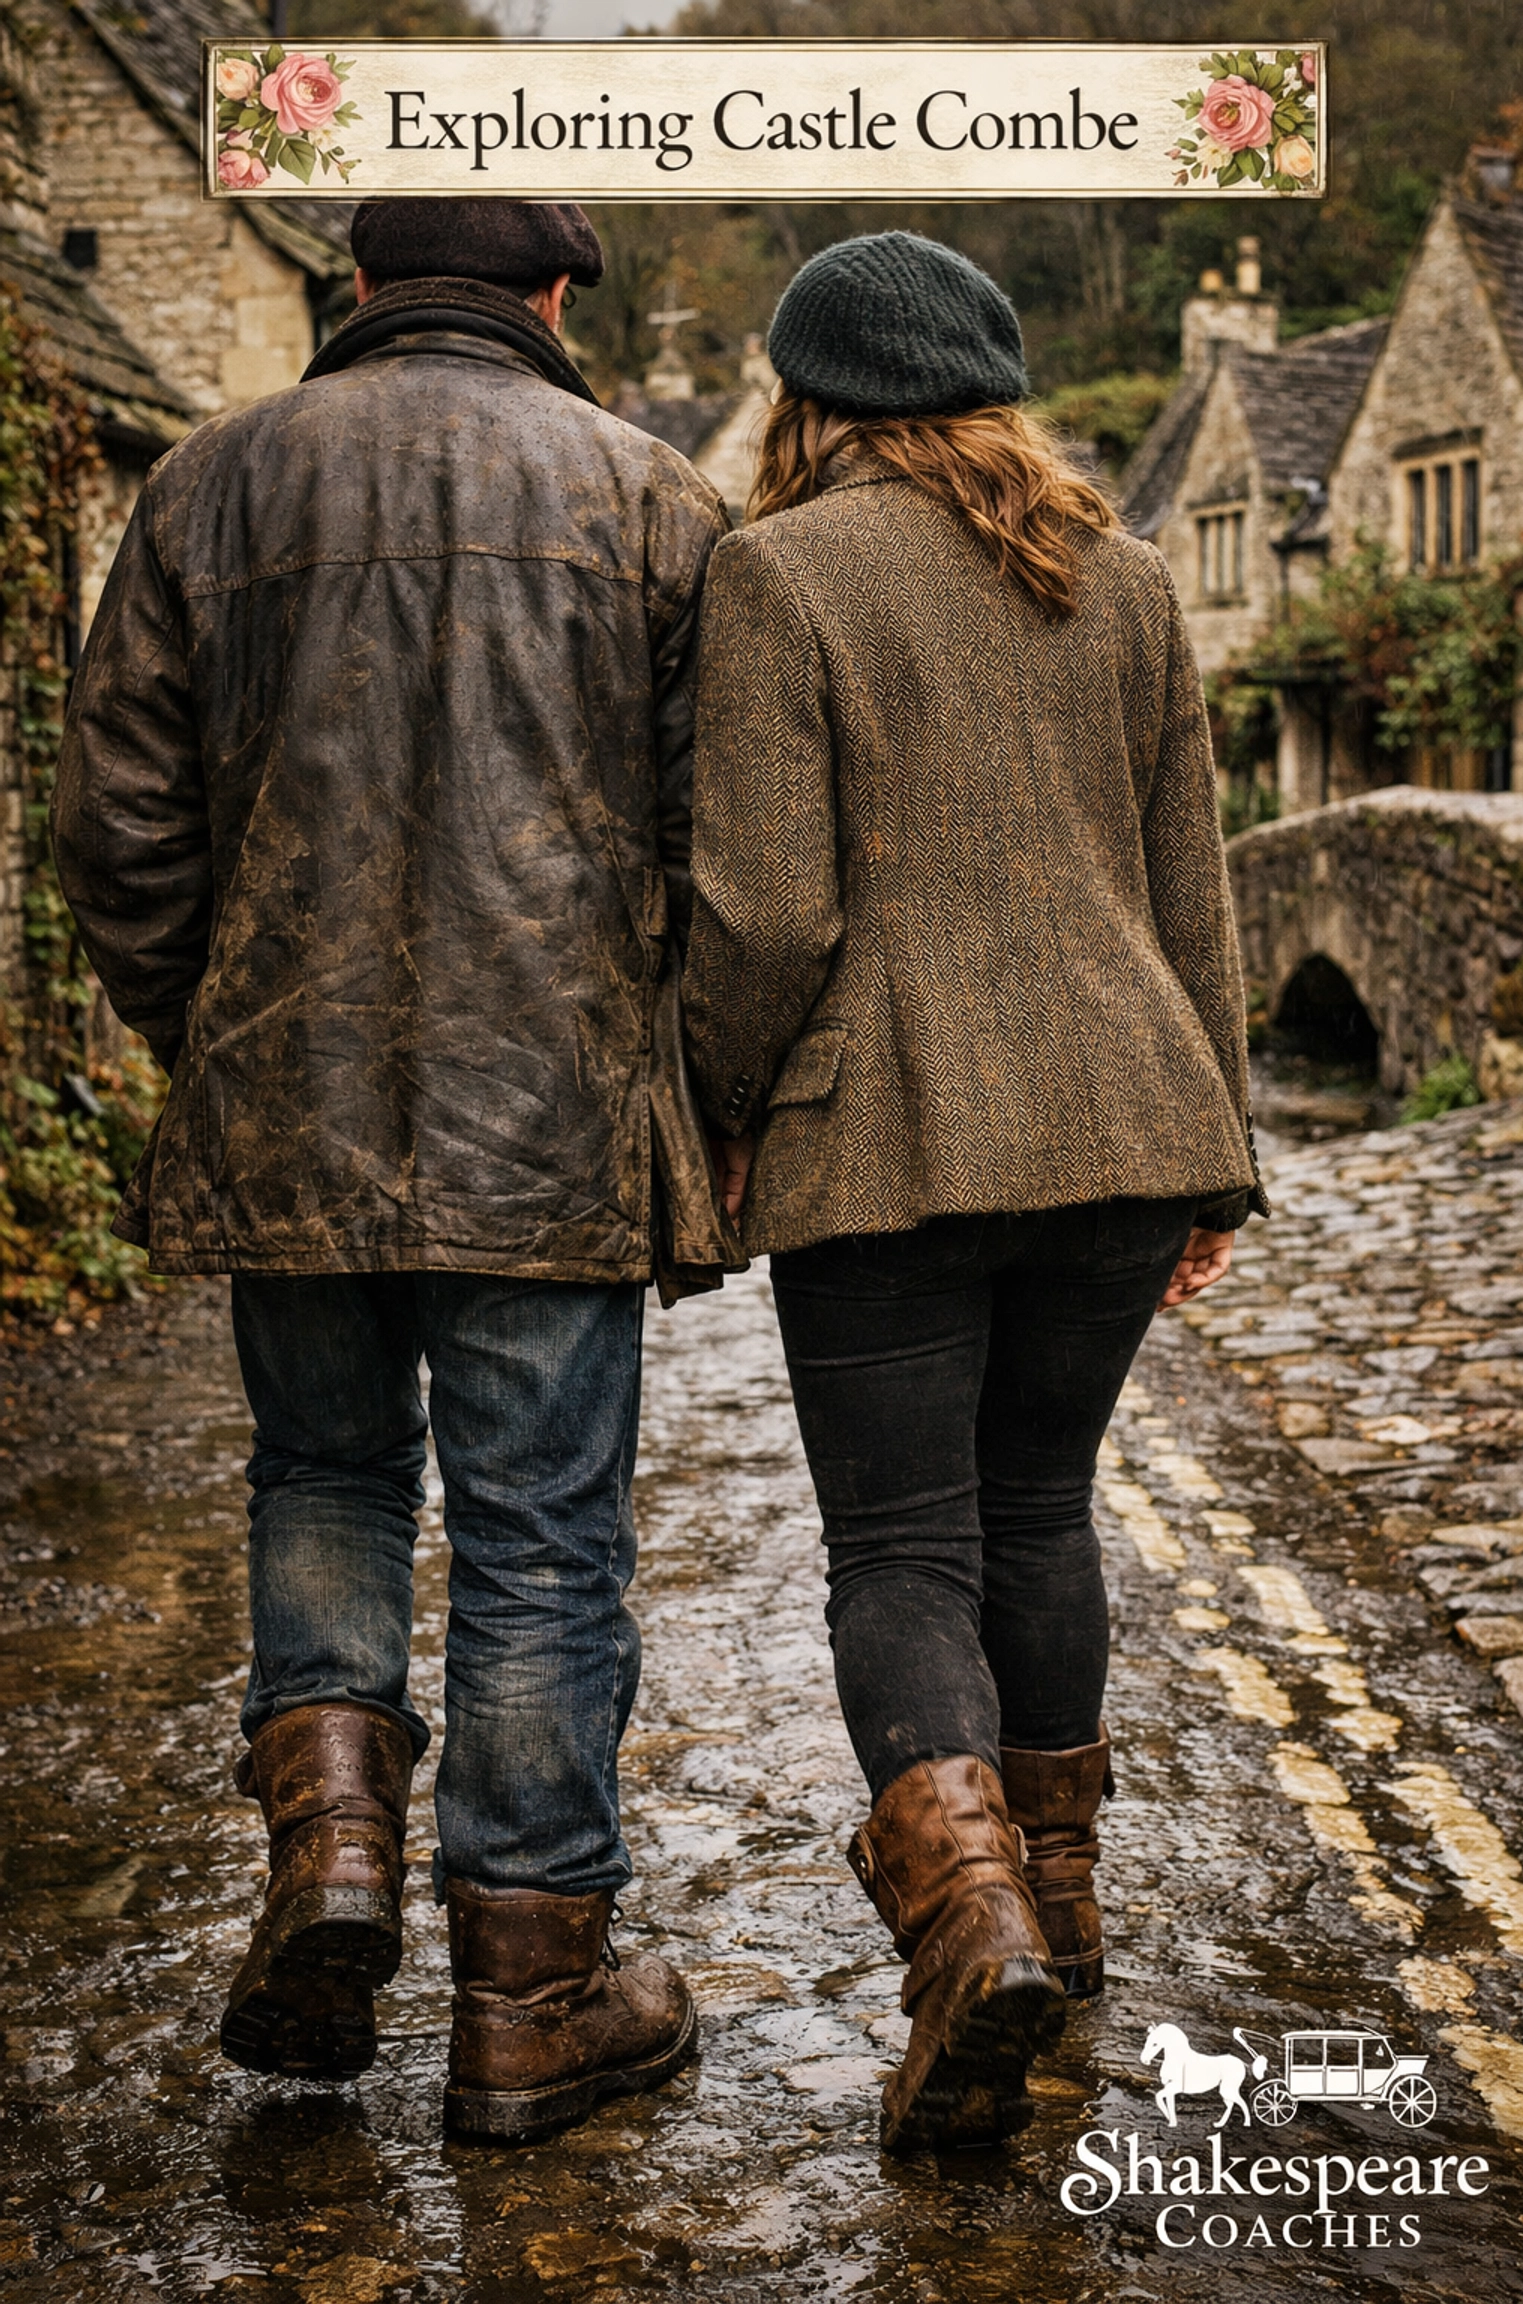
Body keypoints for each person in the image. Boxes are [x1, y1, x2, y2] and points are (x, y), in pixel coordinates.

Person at [51, 197, 741, 2144]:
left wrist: (221, 1029)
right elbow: (737, 853)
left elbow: (113, 831)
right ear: (547, 300)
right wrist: (705, 1081)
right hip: (559, 1129)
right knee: (543, 1537)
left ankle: (331, 1861)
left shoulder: (205, 484)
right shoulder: (656, 500)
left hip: (290, 1107)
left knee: (325, 1473)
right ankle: (532, 2002)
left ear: (351, 290)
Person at [682, 232, 1265, 2157]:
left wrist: (722, 1108)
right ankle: (1065, 1913)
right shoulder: (1131, 580)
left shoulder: (776, 571)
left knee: (905, 1549)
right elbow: (1200, 891)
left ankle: (976, 1924)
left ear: (813, 397)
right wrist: (1219, 1160)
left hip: (891, 1144)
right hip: (1123, 1121)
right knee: (1039, 1508)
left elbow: (764, 913)